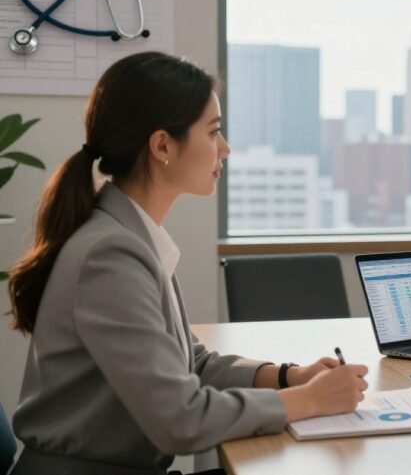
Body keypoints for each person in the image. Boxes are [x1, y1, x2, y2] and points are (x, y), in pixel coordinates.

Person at [6, 52, 369, 475]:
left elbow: (191, 365)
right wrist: (309, 400)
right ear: (162, 145)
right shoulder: (109, 255)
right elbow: (181, 420)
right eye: (213, 132)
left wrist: (289, 376)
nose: (225, 148)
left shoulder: (129, 236)